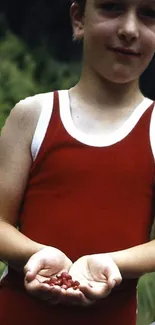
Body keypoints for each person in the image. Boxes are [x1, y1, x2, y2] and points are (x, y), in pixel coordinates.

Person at [0, 0, 155, 324]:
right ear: (78, 18)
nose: (129, 29)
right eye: (112, 8)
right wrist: (35, 255)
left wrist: (113, 263)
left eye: (149, 14)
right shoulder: (33, 116)